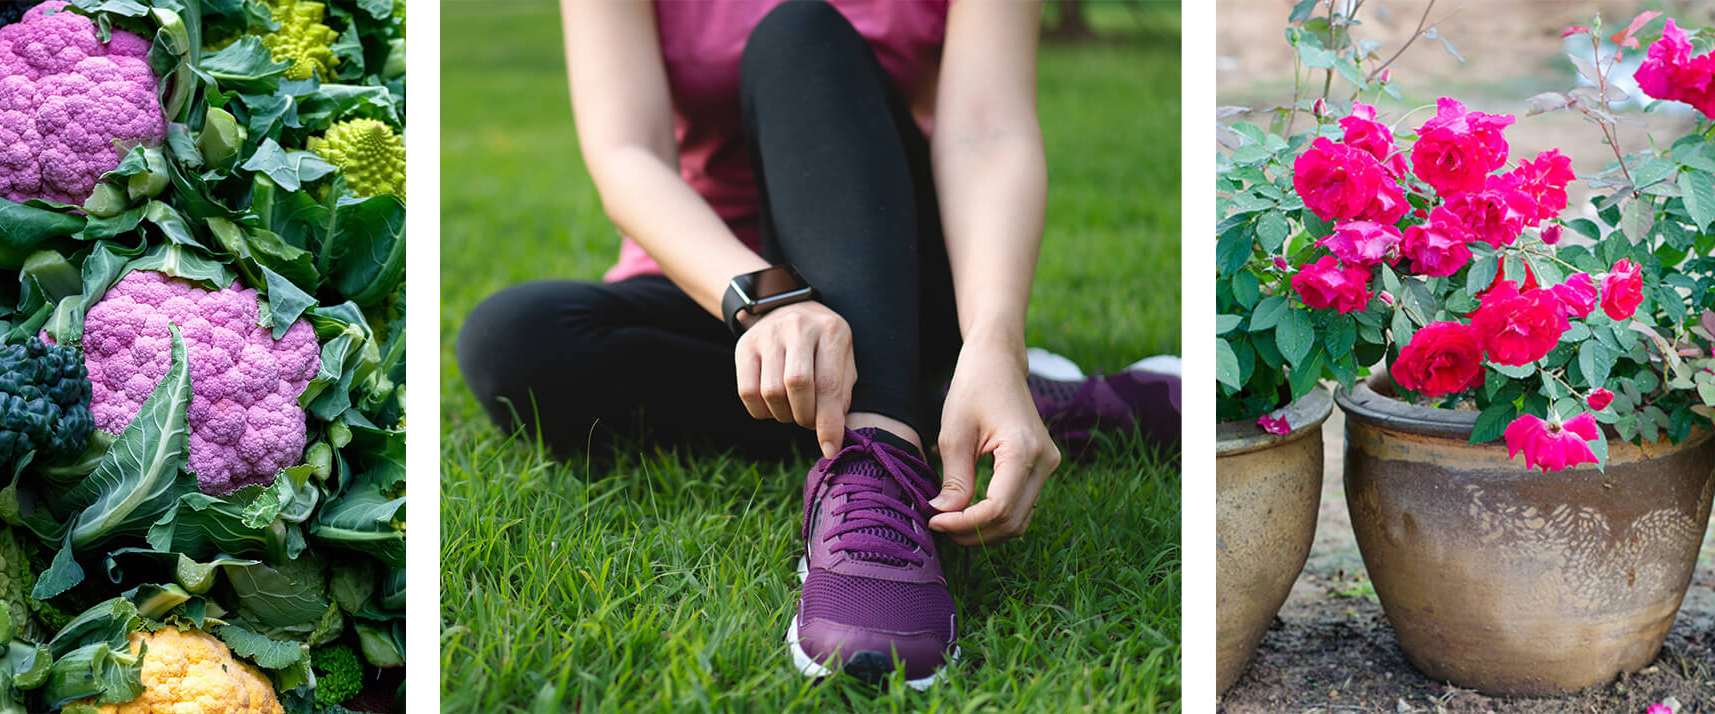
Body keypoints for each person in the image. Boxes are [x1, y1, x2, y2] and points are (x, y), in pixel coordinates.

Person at [456, 0, 1175, 688]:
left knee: (798, 31)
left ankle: (879, 457)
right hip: (724, 274)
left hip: (898, 274)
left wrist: (993, 344)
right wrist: (765, 302)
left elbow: (988, 132)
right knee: (513, 342)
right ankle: (951, 411)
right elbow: (626, 155)